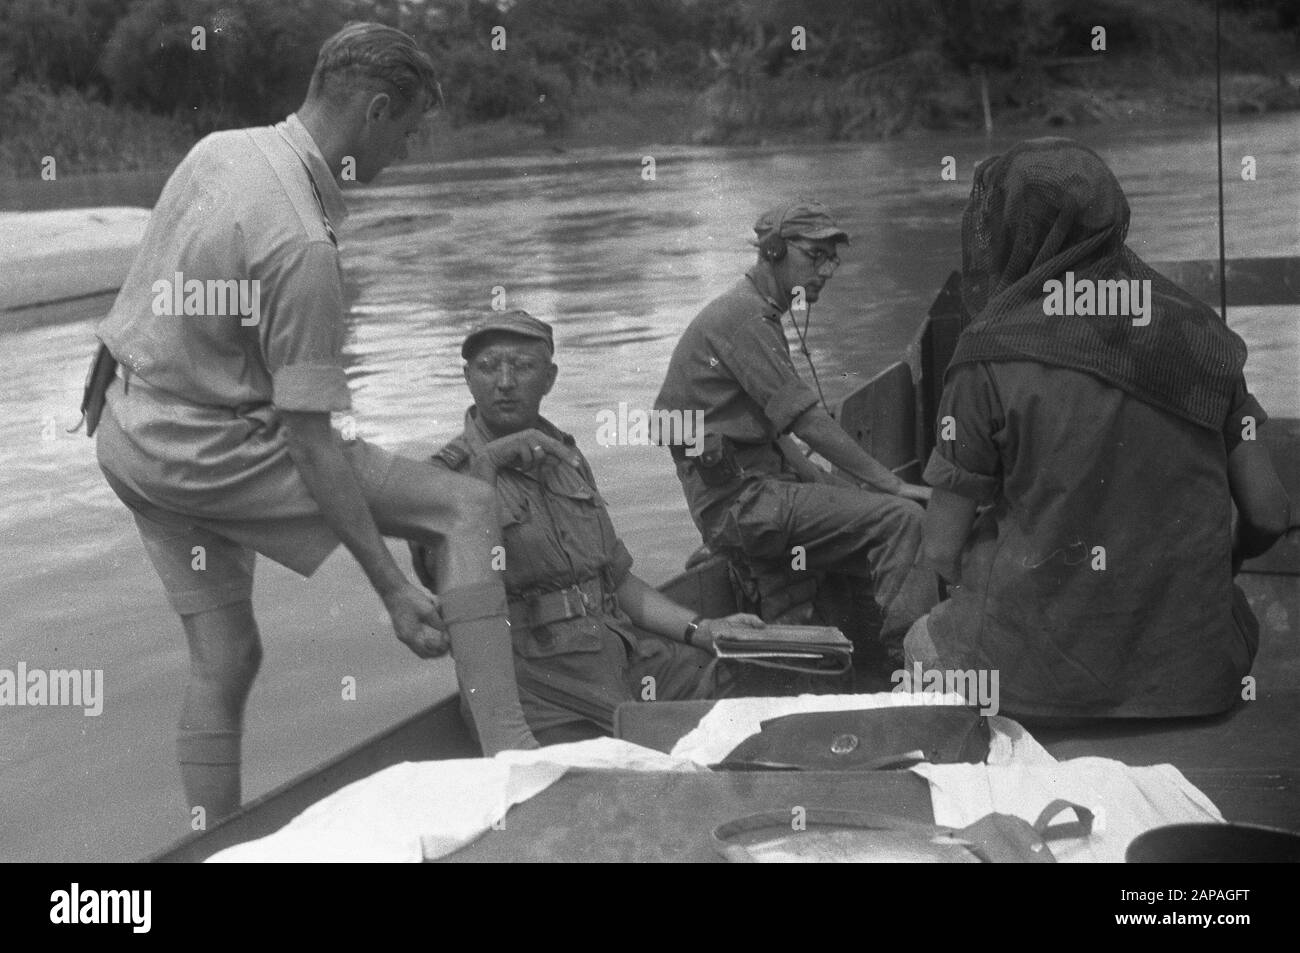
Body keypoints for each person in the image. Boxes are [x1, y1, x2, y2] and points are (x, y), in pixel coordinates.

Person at [89, 23, 538, 822]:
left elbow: (144, 288)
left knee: (225, 655)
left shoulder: (221, 149)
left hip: (127, 433)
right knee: (464, 505)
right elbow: (309, 442)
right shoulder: (304, 245)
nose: (402, 155)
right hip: (207, 449)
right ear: (372, 112)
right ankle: (513, 761)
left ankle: (213, 840)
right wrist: (396, 589)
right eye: (405, 131)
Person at [912, 137, 1291, 720]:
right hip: (1198, 681)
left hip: (1032, 689)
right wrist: (1224, 564)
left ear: (1007, 231)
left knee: (918, 643)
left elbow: (939, 549)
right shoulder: (1203, 337)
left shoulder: (985, 355)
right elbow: (1269, 511)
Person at [409, 310, 778, 744]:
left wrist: (703, 629)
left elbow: (615, 579)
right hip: (534, 682)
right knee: (636, 764)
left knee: (749, 679)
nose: (505, 382)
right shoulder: (441, 477)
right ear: (468, 377)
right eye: (489, 367)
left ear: (549, 378)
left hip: (618, 653)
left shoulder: (564, 455)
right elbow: (449, 584)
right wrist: (488, 466)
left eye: (523, 367)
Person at [654, 200, 936, 669]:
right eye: (815, 255)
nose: (826, 270)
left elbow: (781, 433)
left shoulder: (754, 313)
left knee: (862, 502)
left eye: (833, 258)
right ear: (773, 251)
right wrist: (893, 485)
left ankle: (865, 654)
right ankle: (913, 668)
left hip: (751, 496)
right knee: (902, 519)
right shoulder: (744, 319)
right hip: (745, 506)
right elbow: (806, 421)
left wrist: (837, 488)